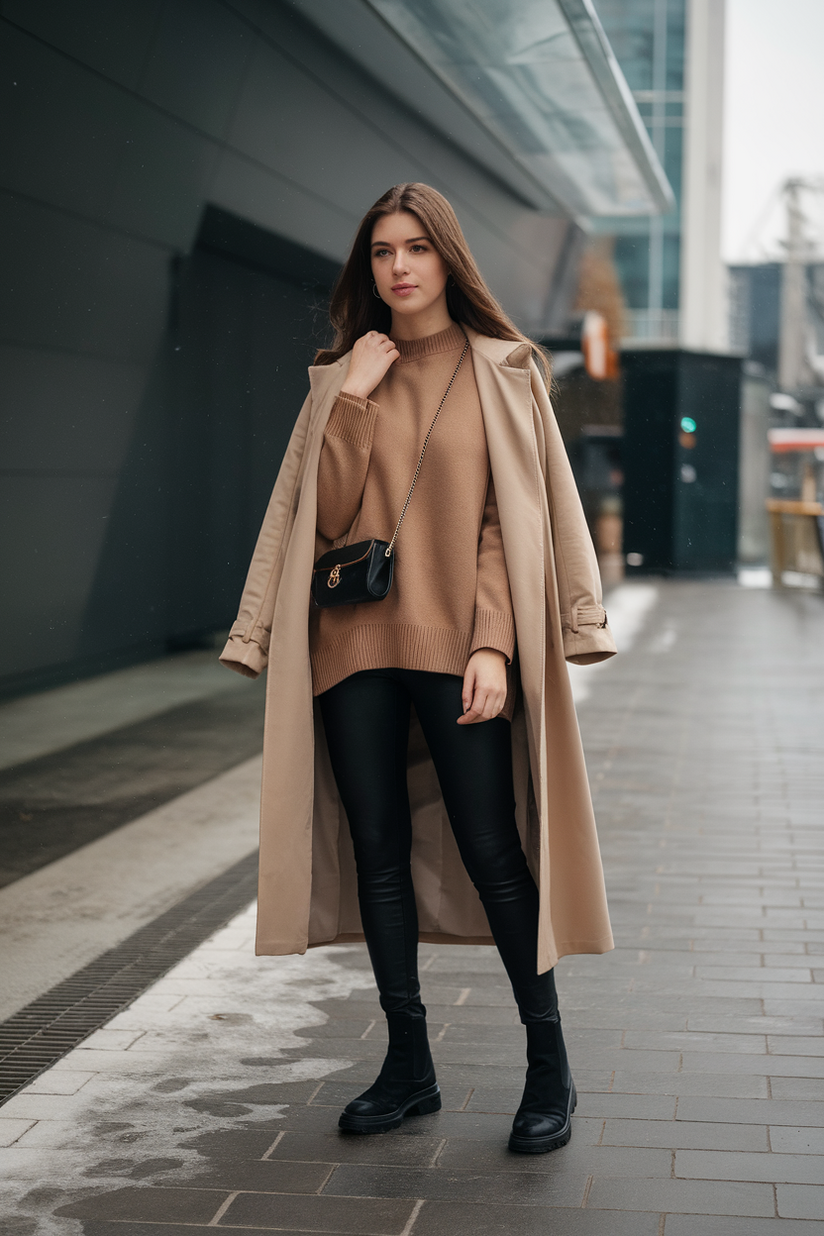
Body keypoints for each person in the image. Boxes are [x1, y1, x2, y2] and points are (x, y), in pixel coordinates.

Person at [220, 183, 616, 1155]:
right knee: (379, 855)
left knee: (492, 851)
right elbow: (326, 512)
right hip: (352, 647)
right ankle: (408, 1065)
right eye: (383, 251)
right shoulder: (338, 375)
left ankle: (547, 1066)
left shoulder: (502, 369)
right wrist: (350, 395)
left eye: (416, 249)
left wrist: (492, 642)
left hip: (454, 646)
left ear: (447, 260)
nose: (398, 266)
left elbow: (503, 523)